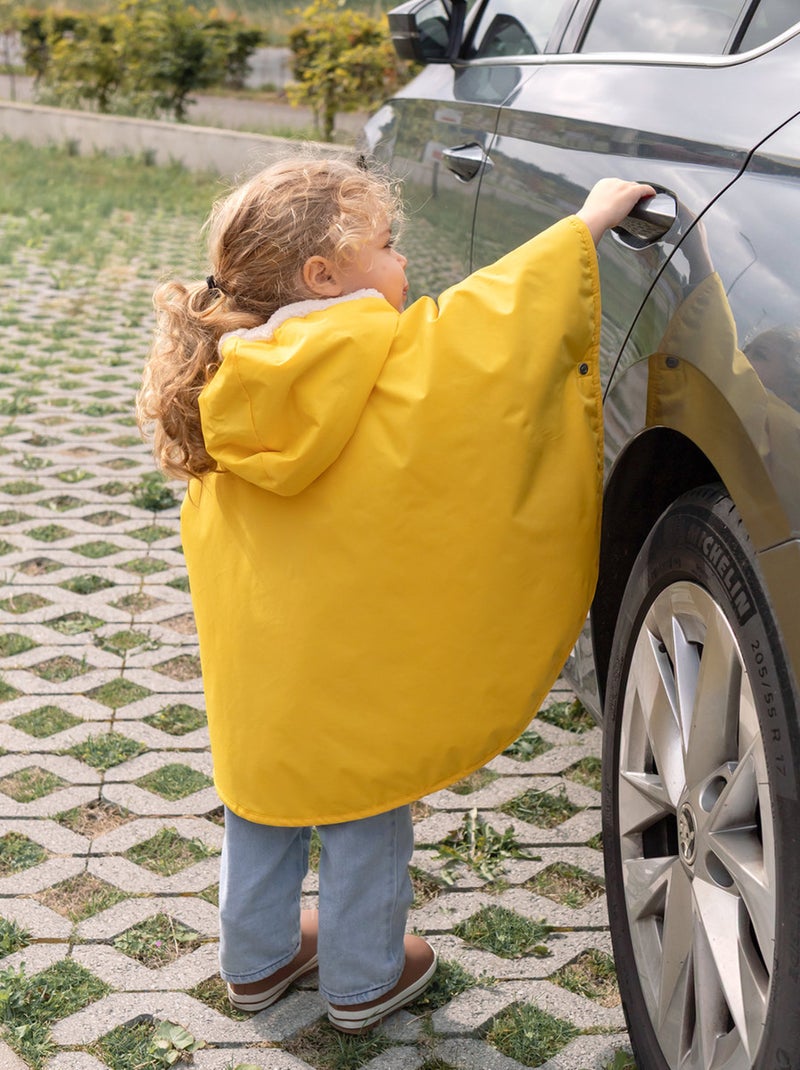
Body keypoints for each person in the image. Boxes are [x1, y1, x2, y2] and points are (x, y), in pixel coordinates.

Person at [137, 153, 653, 1033]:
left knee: (261, 798)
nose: (404, 262)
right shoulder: (377, 352)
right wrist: (586, 227)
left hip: (260, 670)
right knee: (363, 800)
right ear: (323, 276)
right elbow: (489, 328)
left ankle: (256, 962)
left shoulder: (220, 376)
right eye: (387, 243)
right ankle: (363, 979)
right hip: (357, 669)